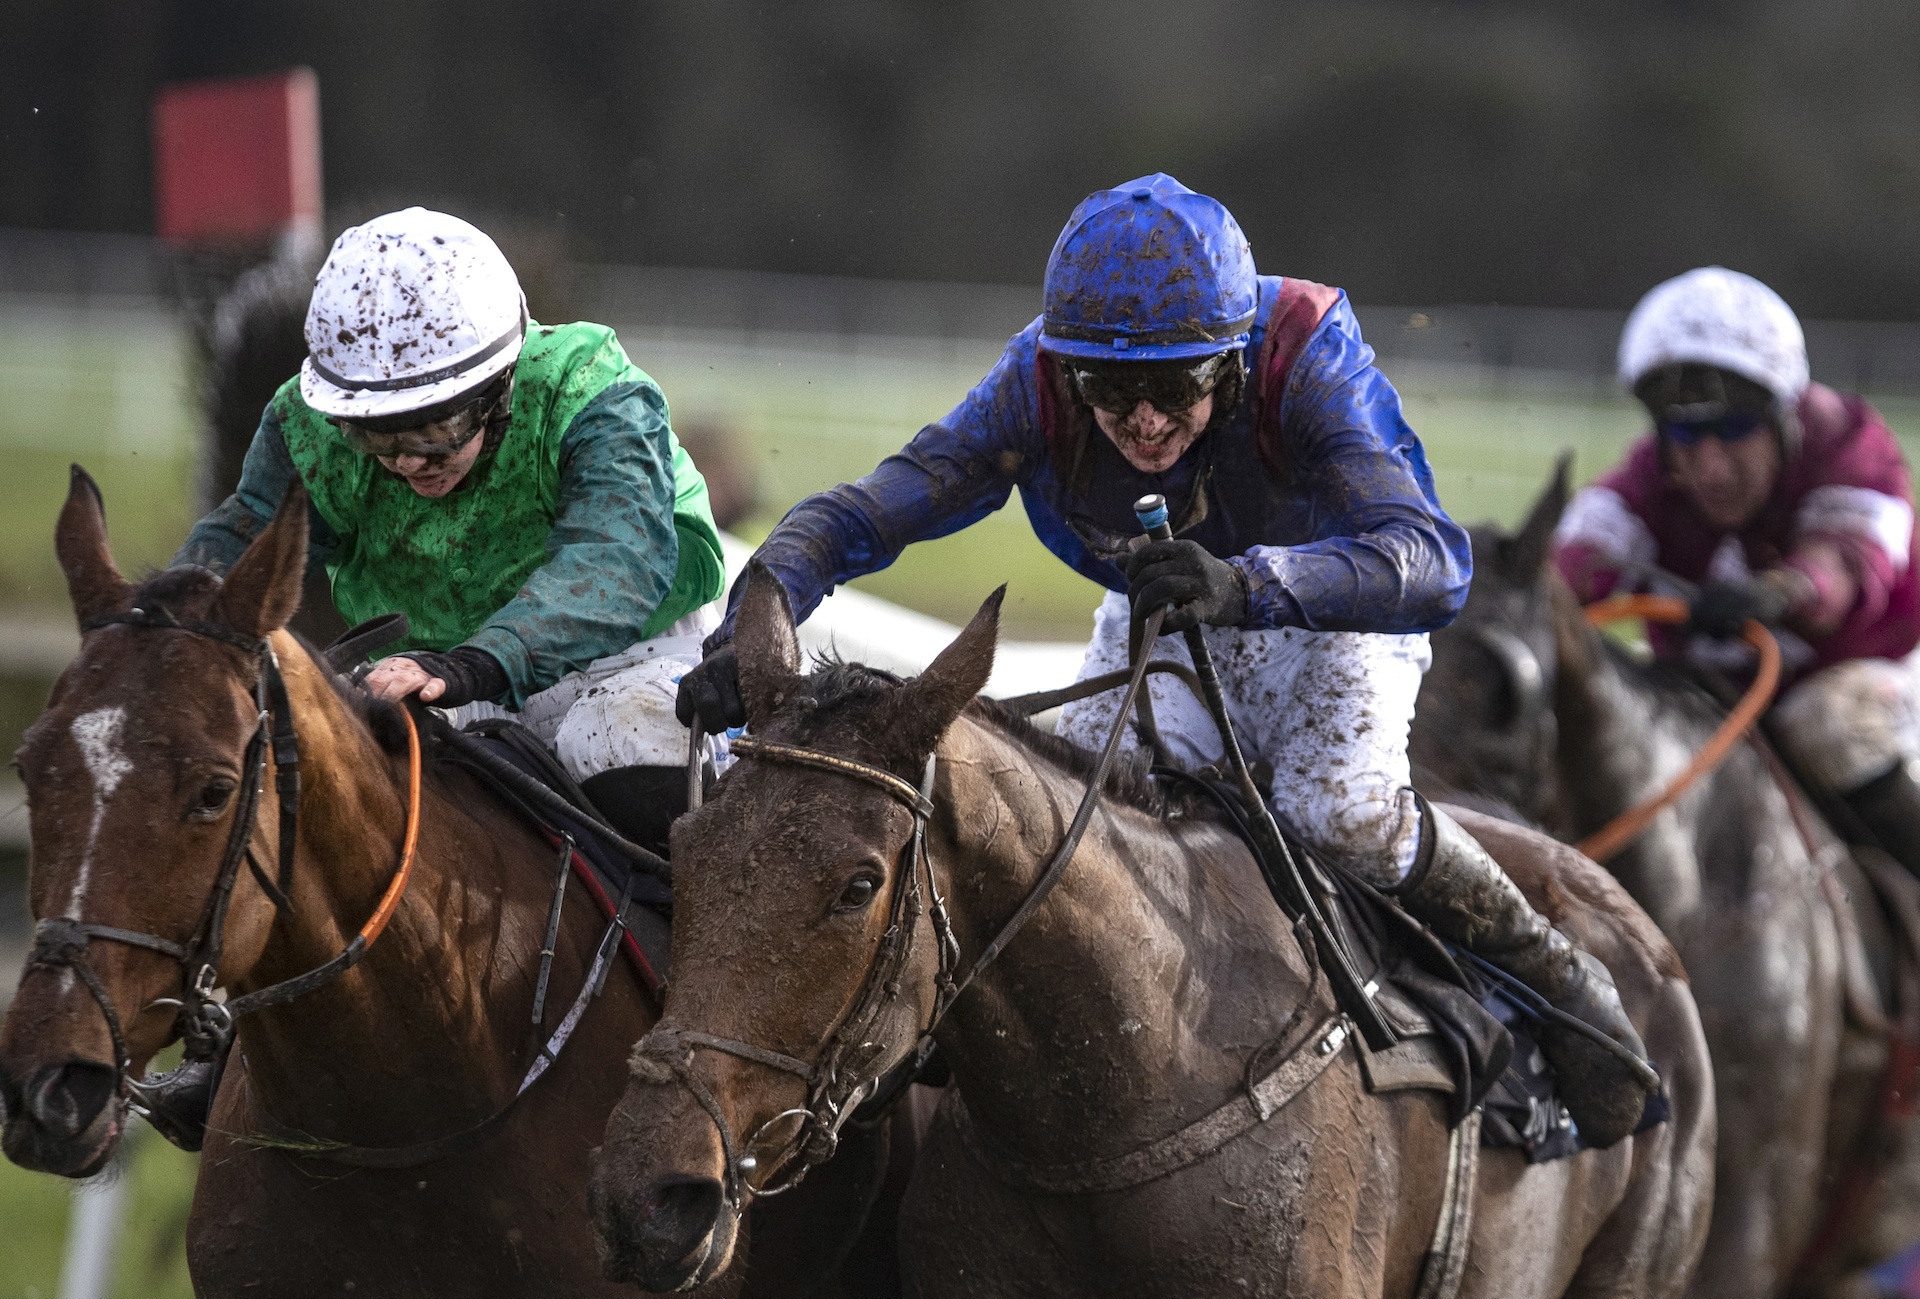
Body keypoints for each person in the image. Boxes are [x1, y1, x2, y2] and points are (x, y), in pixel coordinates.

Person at [677, 173, 1652, 1144]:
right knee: (1077, 830)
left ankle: (1555, 975)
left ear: (1232, 363)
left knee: (1337, 812)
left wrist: (1251, 584)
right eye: (1112, 390)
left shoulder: (1305, 356)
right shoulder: (1034, 383)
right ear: (1071, 371)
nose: (1144, 420)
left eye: (1177, 387)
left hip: (1336, 606)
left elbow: (1433, 561)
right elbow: (861, 514)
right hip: (1168, 602)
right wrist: (758, 610)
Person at [177, 207, 725, 849]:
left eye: (436, 430)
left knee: (618, 738)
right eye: (376, 436)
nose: (408, 462)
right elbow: (245, 536)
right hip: (437, 670)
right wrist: (164, 622)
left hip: (636, 660)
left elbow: (618, 561)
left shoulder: (592, 390)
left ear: (500, 387)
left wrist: (482, 662)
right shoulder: (310, 426)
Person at [1554, 266, 1920, 877]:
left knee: (1829, 726)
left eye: (1735, 429)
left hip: (1870, 676)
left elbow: (1844, 564)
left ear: (1783, 415)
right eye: (1686, 434)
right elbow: (1572, 562)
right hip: (1716, 694)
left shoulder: (1849, 443)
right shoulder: (1647, 478)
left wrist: (1777, 591)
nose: (1712, 468)